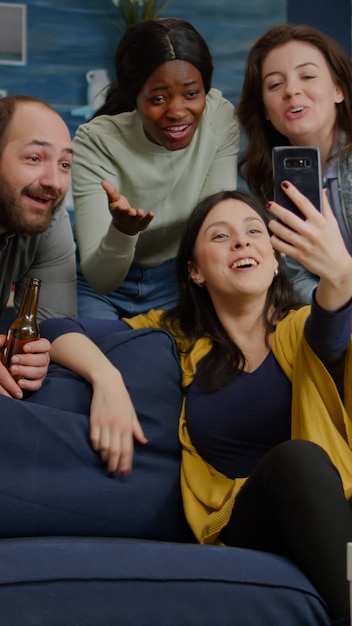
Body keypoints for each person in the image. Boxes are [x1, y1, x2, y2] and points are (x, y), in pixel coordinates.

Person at [41, 182, 352, 624]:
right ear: (195, 271)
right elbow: (56, 329)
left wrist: (339, 277)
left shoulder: (305, 328)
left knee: (304, 461)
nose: (242, 240)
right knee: (295, 461)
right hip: (244, 520)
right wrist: (107, 379)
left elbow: (333, 327)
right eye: (220, 236)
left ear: (277, 255)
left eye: (254, 231)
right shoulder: (175, 337)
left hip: (333, 511)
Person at [71, 17, 239, 319]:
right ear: (134, 96)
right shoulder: (95, 141)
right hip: (101, 287)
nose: (177, 112)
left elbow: (215, 226)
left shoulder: (219, 120)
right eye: (158, 98)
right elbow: (101, 278)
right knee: (101, 351)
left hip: (179, 276)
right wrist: (122, 231)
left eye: (191, 94)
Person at [237, 23, 352, 303]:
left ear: (338, 89)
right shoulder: (265, 182)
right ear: (265, 109)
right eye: (275, 84)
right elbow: (297, 278)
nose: (291, 91)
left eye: (308, 76)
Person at [0, 94, 77, 399]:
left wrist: (35, 358)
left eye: (64, 164)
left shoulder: (46, 212)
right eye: (34, 158)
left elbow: (54, 326)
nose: (54, 181)